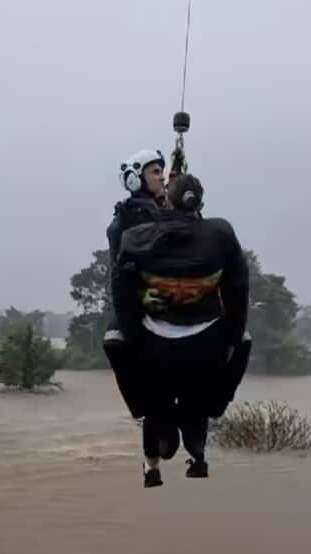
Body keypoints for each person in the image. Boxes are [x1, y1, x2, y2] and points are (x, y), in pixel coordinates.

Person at [112, 174, 251, 488]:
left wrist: (135, 332)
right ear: (201, 203)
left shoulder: (136, 237)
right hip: (207, 346)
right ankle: (204, 439)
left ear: (166, 201)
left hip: (154, 347)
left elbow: (120, 287)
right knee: (241, 342)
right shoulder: (221, 234)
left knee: (116, 342)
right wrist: (230, 337)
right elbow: (238, 289)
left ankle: (151, 463)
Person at [103, 149, 167, 418]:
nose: (162, 178)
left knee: (113, 340)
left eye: (162, 173)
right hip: (146, 298)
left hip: (165, 295)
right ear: (133, 179)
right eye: (155, 172)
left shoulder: (168, 210)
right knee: (115, 339)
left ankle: (141, 411)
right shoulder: (127, 219)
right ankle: (141, 410)